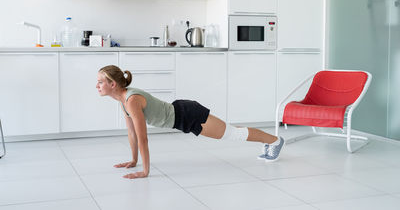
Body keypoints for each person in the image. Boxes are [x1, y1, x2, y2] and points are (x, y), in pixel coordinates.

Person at [96, 65, 284, 179]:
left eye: (100, 82)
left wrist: (145, 171)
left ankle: (274, 141)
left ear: (113, 84)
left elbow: (143, 138)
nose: (97, 85)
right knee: (232, 132)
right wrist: (134, 160)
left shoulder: (132, 100)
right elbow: (132, 133)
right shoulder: (124, 101)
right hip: (182, 116)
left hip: (188, 115)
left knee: (233, 134)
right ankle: (269, 141)